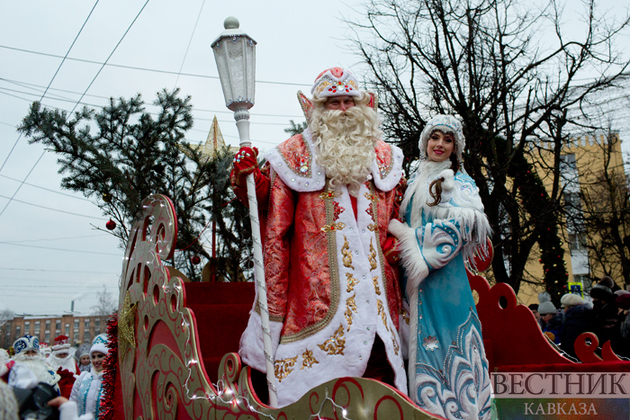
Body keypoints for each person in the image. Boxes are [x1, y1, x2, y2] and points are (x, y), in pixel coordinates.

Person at [236, 67, 407, 407]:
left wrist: (394, 245)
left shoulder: (385, 157)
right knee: (317, 398)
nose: (342, 109)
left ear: (362, 106)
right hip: (316, 305)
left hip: (377, 304)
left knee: (382, 393)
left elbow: (394, 217)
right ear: (315, 108)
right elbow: (267, 205)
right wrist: (247, 178)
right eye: (332, 102)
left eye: (348, 101)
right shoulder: (291, 155)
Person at [387, 114, 493, 419]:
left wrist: (410, 239)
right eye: (435, 137)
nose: (440, 144)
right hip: (412, 282)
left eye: (448, 140)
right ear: (425, 141)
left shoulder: (460, 182)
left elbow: (467, 226)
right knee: (417, 347)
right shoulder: (413, 181)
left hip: (446, 282)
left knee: (448, 346)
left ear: (455, 148)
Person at [70, 333, 109, 418]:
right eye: (93, 357)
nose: (96, 360)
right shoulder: (82, 378)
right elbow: (72, 406)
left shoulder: (113, 381)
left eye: (100, 356)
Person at [558, 293, 592, 358]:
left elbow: (570, 342)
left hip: (573, 357)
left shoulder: (572, 322)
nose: (564, 310)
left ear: (570, 308)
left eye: (564, 308)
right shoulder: (584, 317)